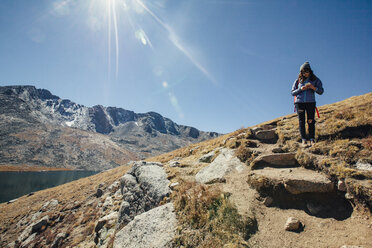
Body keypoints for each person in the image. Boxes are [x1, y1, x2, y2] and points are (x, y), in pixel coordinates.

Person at [291, 61, 324, 147]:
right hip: (299, 103)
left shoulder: (315, 80)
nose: (306, 73)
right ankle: (304, 140)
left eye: (307, 71)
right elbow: (292, 93)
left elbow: (321, 91)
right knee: (301, 121)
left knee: (311, 120)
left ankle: (312, 139)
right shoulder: (297, 81)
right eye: (304, 72)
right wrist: (301, 89)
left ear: (310, 71)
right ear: (301, 72)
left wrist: (313, 88)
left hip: (311, 103)